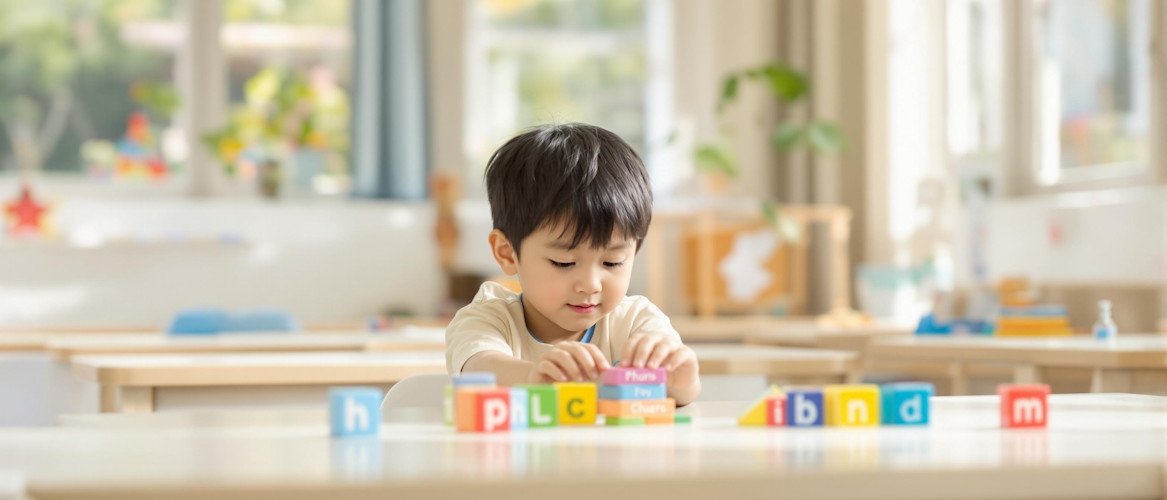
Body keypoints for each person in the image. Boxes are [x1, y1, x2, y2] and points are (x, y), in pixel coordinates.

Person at [444, 123, 700, 406]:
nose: (590, 284)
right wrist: (534, 378)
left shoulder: (636, 321)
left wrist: (682, 383)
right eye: (564, 262)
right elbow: (479, 367)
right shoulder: (488, 319)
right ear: (507, 253)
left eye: (612, 262)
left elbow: (681, 390)